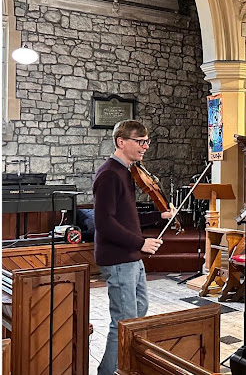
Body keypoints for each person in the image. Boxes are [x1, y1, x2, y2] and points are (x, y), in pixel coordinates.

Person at [93, 120, 176, 375]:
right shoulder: (109, 174)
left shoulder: (127, 172)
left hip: (130, 257)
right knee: (124, 322)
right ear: (121, 142)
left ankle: (124, 366)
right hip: (118, 259)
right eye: (140, 141)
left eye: (146, 141)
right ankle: (108, 372)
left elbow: (126, 217)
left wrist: (156, 217)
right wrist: (141, 242)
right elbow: (104, 223)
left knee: (138, 310)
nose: (145, 147)